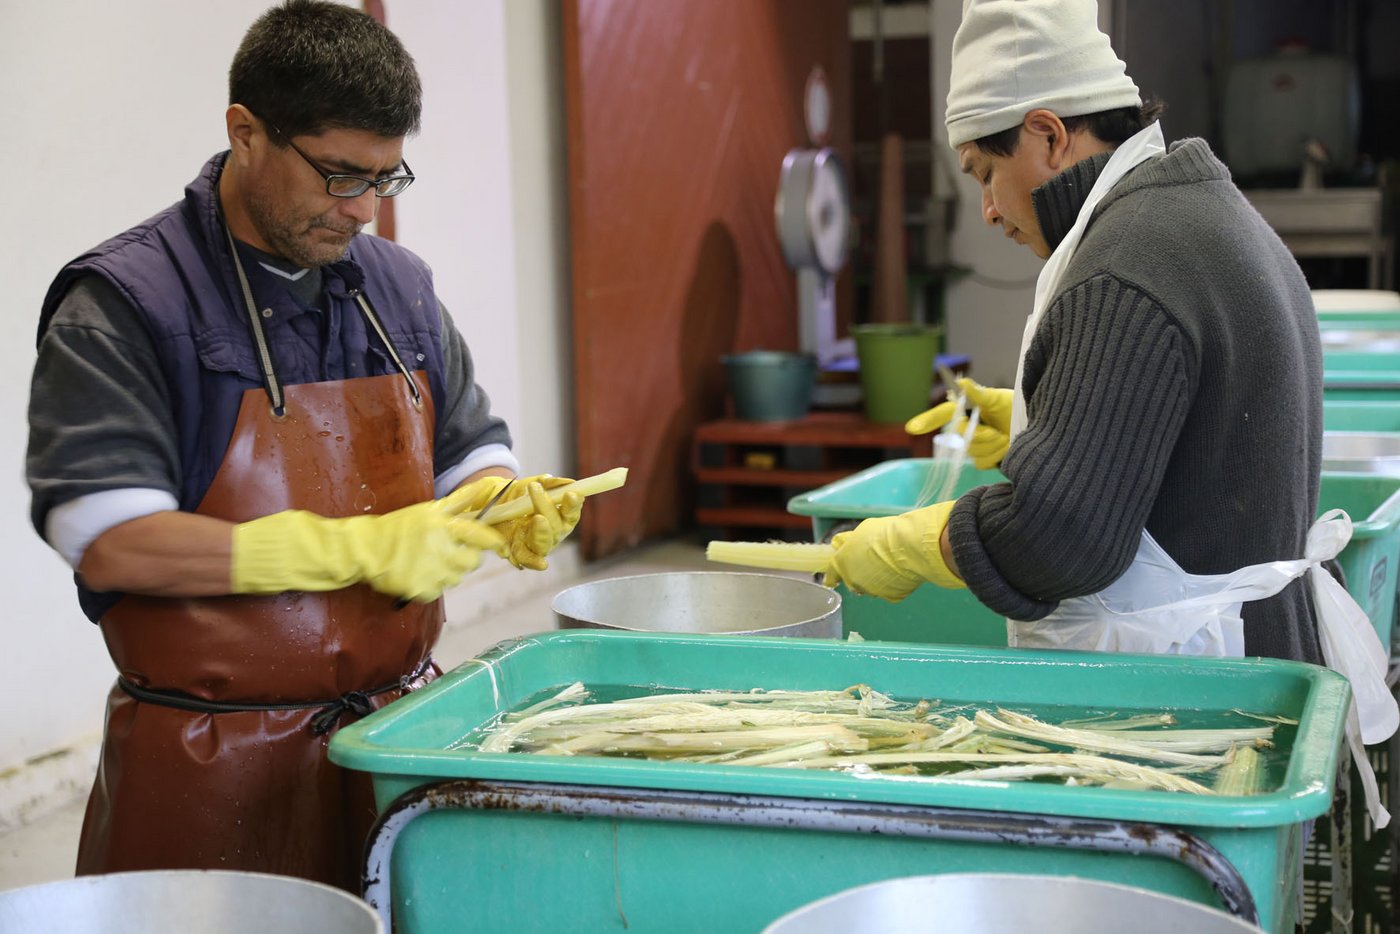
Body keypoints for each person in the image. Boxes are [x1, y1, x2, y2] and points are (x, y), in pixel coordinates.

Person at [26, 0, 584, 890]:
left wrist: (496, 500)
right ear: (246, 133)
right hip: (210, 765)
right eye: (337, 175)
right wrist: (343, 548)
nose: (363, 209)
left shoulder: (396, 287)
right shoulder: (129, 304)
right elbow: (108, 533)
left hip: (394, 745)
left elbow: (471, 439)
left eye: (387, 178)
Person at [825, 0, 1326, 665]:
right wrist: (1052, 424)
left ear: (1049, 135)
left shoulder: (1127, 263)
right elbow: (1196, 447)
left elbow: (1060, 540)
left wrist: (917, 544)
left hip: (1200, 685)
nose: (990, 210)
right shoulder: (1196, 208)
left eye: (985, 174)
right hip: (1263, 648)